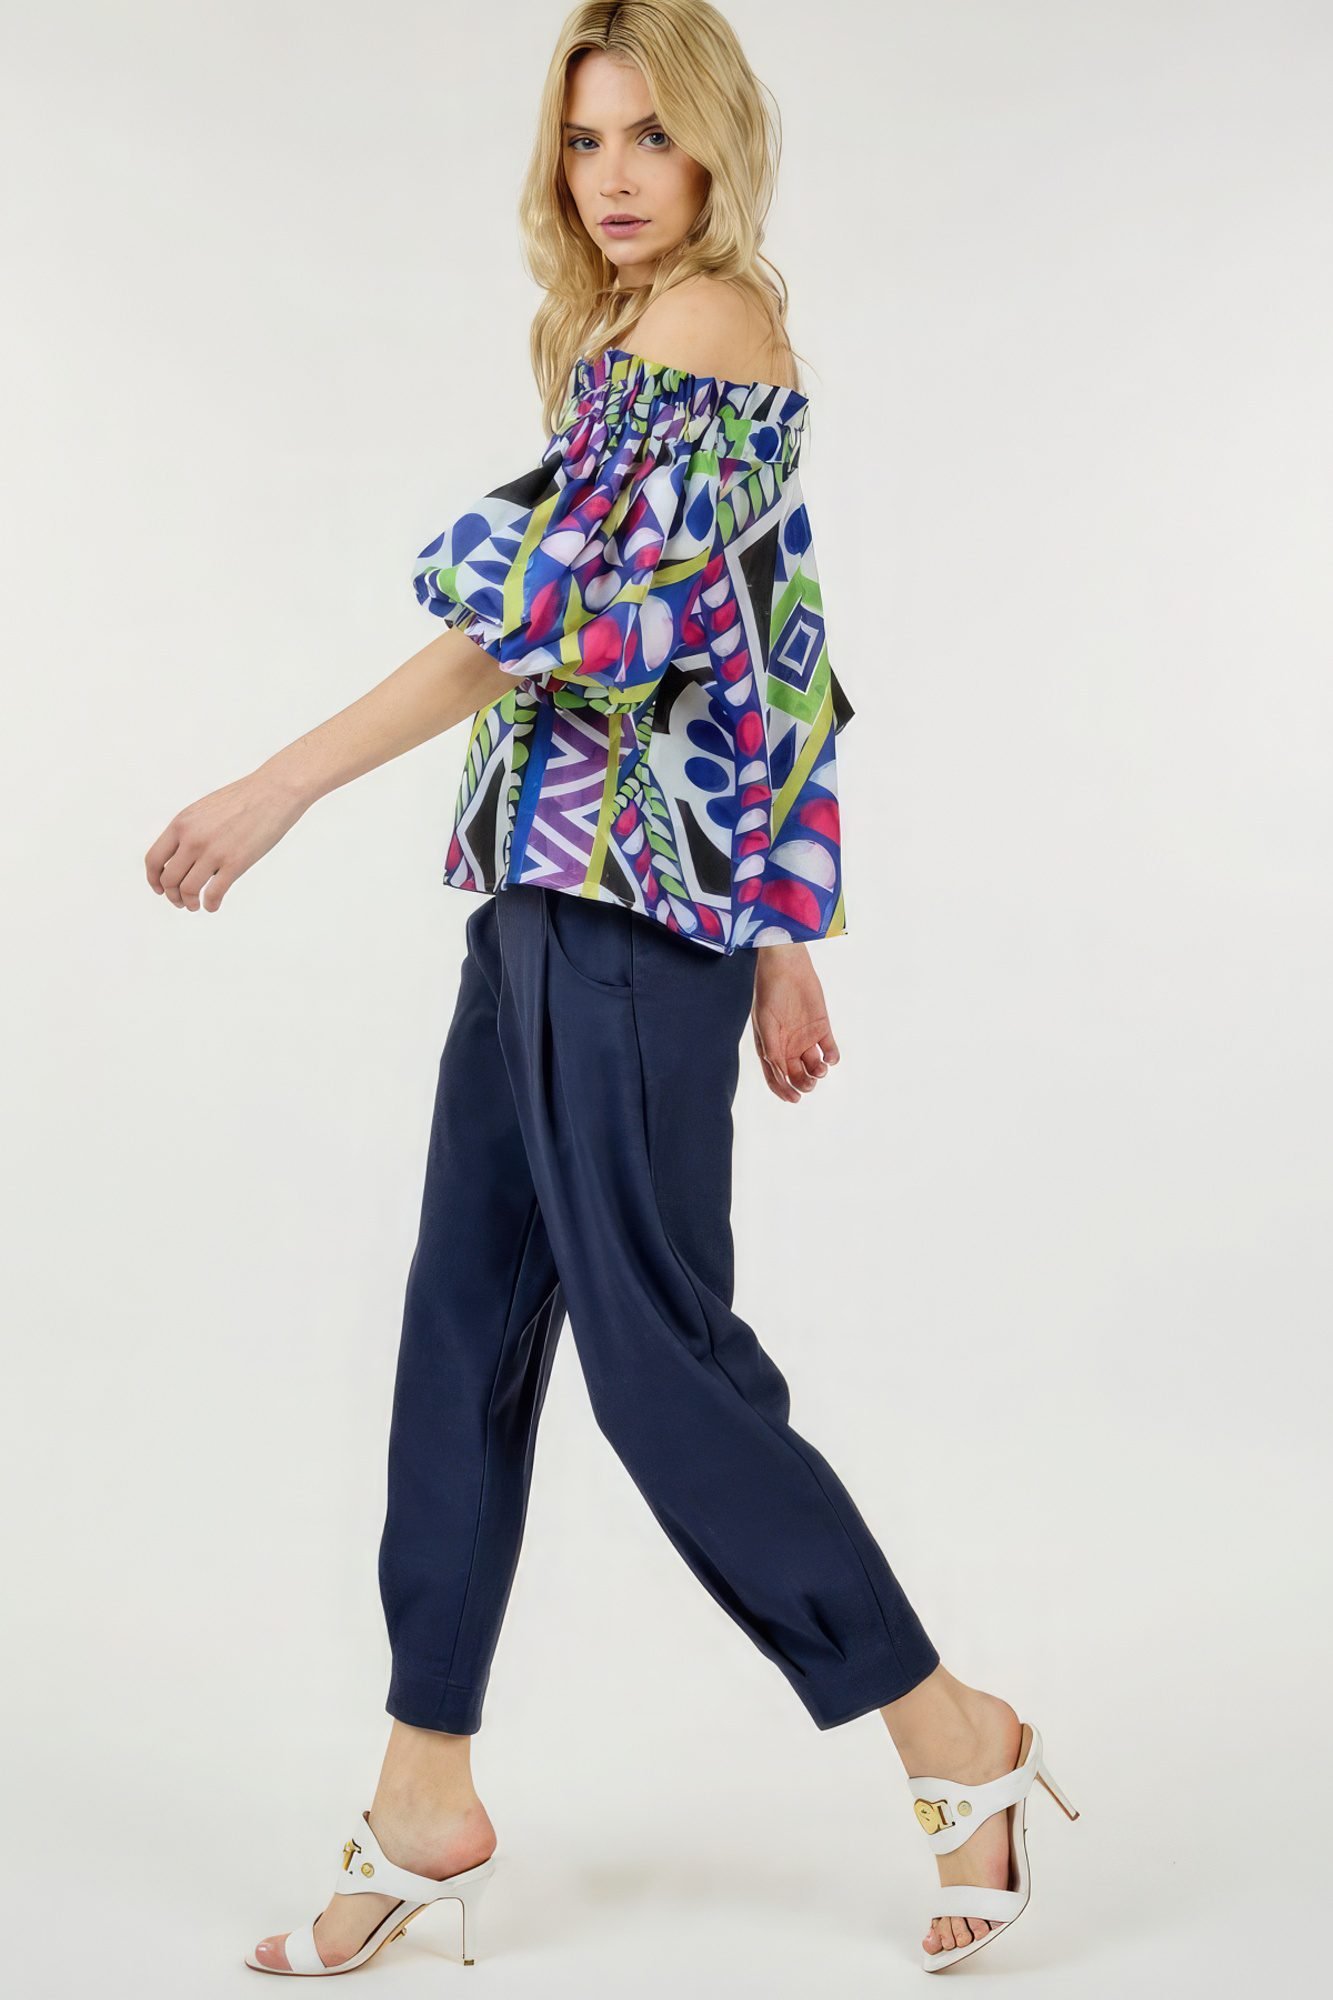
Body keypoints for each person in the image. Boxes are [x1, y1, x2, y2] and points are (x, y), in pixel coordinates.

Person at [145, 1, 1078, 1977]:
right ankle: (424, 1789)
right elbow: (762, 642)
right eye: (586, 141)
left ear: (717, 143)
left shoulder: (709, 324)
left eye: (651, 134)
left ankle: (949, 1729)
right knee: (460, 1333)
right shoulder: (611, 343)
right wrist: (789, 927)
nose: (616, 175)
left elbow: (541, 632)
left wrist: (280, 783)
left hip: (630, 923)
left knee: (657, 1361)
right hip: (541, 898)